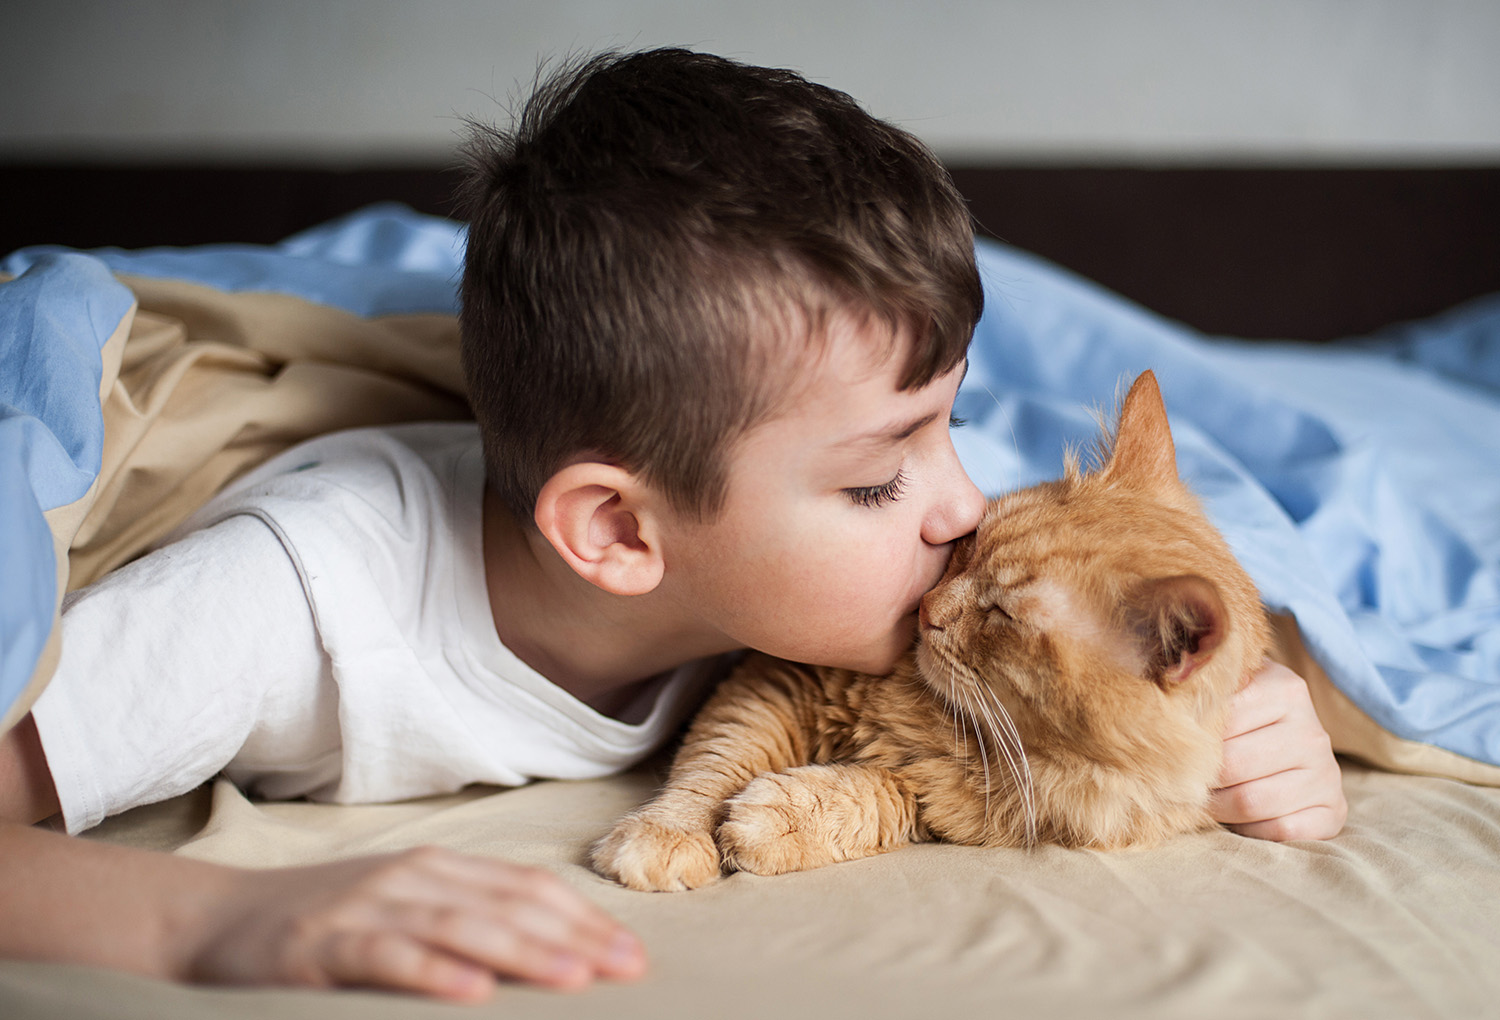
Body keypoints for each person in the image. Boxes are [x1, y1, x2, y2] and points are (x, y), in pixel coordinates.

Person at [0, 48, 1346, 1003]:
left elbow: (1123, 650)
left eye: (949, 424)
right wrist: (214, 923)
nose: (968, 511)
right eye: (880, 477)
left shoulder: (821, 560)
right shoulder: (287, 611)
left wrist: (1250, 720)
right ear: (622, 537)